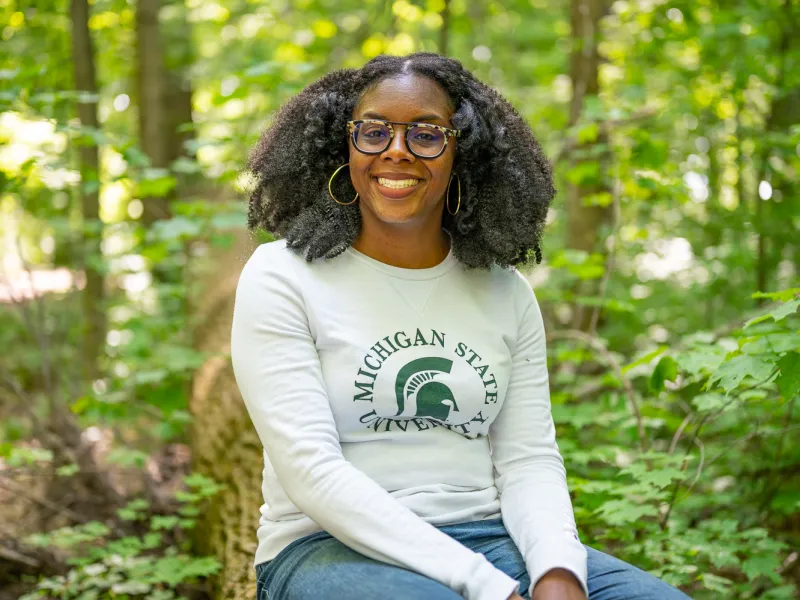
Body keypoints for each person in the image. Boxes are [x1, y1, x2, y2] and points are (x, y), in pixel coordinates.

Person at [231, 52, 690, 600]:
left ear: (461, 153)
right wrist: (485, 588)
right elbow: (311, 472)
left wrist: (556, 573)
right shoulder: (283, 274)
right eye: (373, 131)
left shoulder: (504, 290)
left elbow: (529, 459)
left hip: (493, 538)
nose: (396, 150)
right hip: (325, 549)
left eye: (426, 134)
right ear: (344, 147)